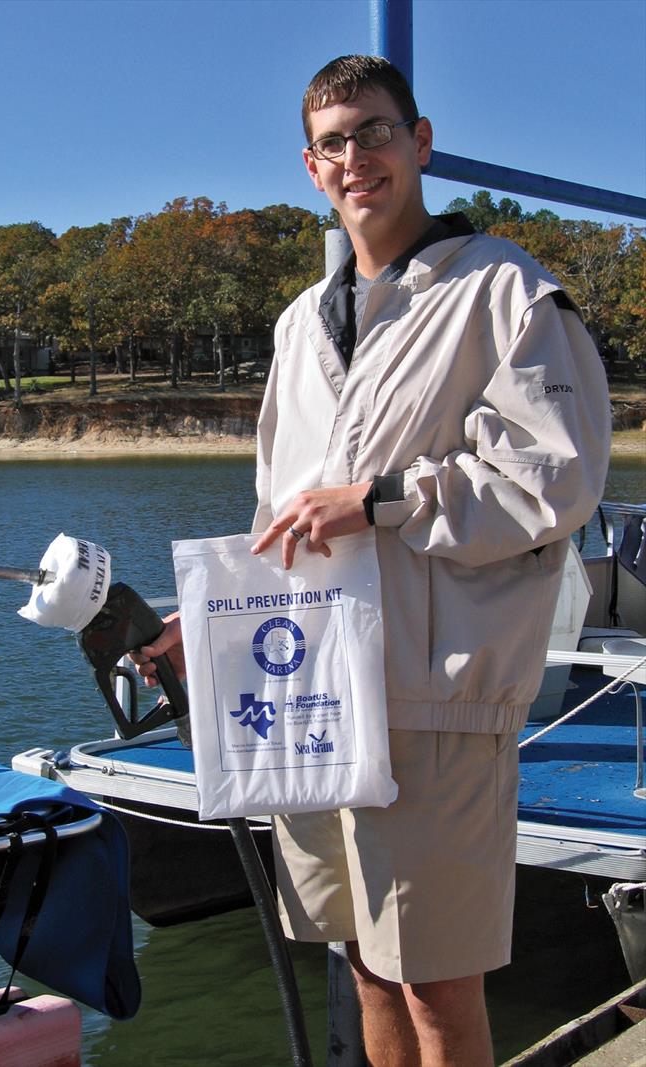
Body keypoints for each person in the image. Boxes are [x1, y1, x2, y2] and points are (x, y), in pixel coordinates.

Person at [134, 55, 610, 1067]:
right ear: (310, 167)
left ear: (420, 139)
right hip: (309, 700)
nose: (358, 157)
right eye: (335, 141)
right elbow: (280, 510)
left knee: (437, 983)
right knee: (358, 962)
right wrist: (207, 621)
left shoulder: (503, 289)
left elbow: (552, 482)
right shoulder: (298, 322)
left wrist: (382, 499)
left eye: (376, 131)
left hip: (433, 702)